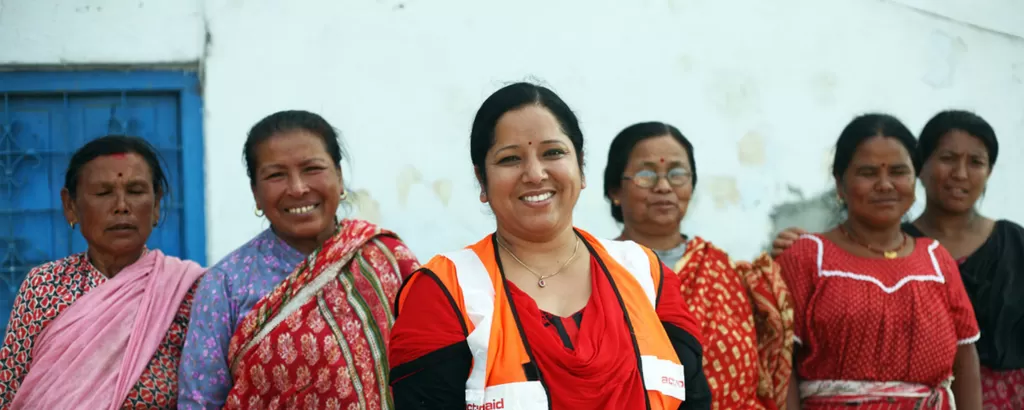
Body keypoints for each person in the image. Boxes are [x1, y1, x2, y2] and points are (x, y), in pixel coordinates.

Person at [388, 82, 712, 409]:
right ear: (482, 180)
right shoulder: (444, 292)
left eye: (553, 153)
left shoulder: (646, 275)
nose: (535, 173)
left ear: (581, 168)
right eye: (510, 158)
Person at [772, 110, 1022, 408]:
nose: (885, 184)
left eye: (898, 172)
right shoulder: (807, 257)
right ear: (840, 184)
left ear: (914, 180)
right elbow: (779, 362)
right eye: (867, 172)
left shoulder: (935, 260)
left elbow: (965, 357)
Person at [177, 110, 420, 409]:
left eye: (312, 168)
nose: (298, 188)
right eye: (276, 175)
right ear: (255, 192)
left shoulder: (386, 259)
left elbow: (432, 369)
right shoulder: (225, 284)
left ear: (340, 178)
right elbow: (199, 401)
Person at [0, 135, 205, 409]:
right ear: (70, 205)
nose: (122, 206)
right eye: (103, 193)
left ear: (156, 204)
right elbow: (9, 391)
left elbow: (208, 395)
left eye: (135, 191)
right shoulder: (43, 287)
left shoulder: (190, 292)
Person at [603, 121, 793, 410]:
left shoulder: (727, 273)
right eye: (646, 174)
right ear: (615, 189)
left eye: (677, 174)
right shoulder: (595, 268)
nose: (664, 186)